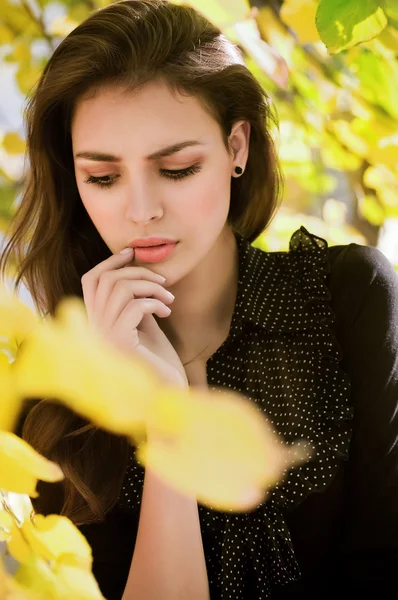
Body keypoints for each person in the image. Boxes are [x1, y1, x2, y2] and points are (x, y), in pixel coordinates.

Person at [3, 0, 398, 598]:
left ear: (236, 147)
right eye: (103, 178)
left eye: (178, 168)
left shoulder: (349, 297)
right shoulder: (52, 388)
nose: (141, 210)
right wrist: (164, 420)